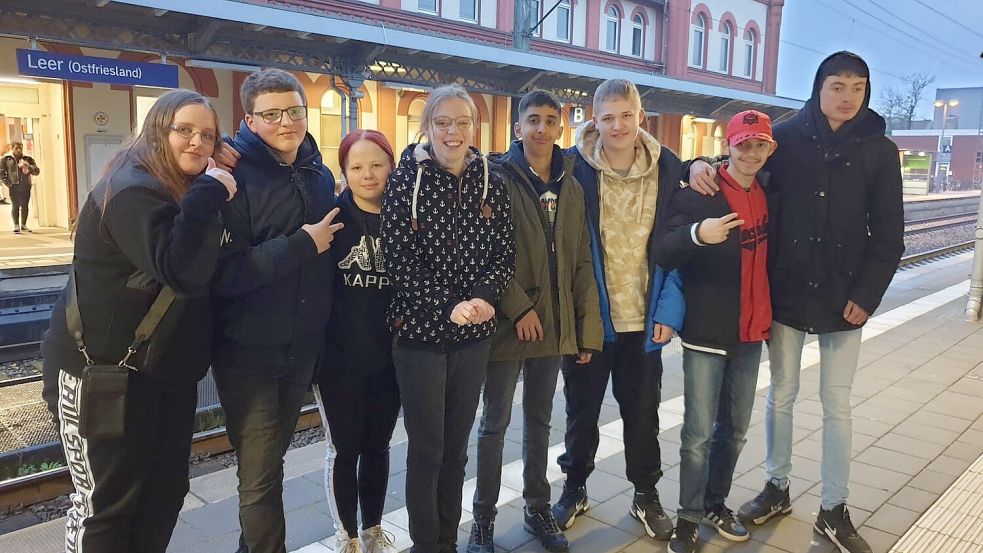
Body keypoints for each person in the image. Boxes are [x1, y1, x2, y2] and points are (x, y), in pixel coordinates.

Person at [688, 52, 904, 553]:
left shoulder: (879, 149)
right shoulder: (783, 137)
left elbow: (890, 235)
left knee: (838, 404)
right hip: (785, 293)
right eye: (837, 86)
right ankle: (777, 487)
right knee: (780, 395)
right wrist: (700, 164)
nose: (847, 97)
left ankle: (834, 508)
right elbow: (741, 168)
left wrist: (866, 296)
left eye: (857, 87)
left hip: (845, 298)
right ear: (817, 87)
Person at [40, 88, 236, 553]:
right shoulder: (133, 189)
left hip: (162, 375)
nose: (196, 142)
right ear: (156, 132)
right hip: (100, 374)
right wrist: (213, 188)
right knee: (106, 505)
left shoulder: (181, 189)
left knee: (163, 494)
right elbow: (181, 270)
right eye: (183, 130)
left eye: (207, 135)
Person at [381, 84, 515, 553]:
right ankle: (426, 545)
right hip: (418, 337)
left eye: (461, 122)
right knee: (427, 451)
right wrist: (447, 305)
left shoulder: (492, 183)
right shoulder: (404, 182)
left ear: (473, 128)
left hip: (473, 338)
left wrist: (483, 298)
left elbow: (503, 254)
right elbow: (399, 261)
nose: (452, 132)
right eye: (443, 122)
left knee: (456, 450)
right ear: (427, 127)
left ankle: (447, 542)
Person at [211, 68, 340, 553]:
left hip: (302, 345)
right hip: (250, 352)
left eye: (294, 111)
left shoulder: (318, 172)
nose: (286, 121)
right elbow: (224, 275)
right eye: (271, 114)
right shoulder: (230, 178)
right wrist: (302, 245)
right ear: (249, 117)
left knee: (273, 462)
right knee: (260, 475)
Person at [467, 90, 602, 553]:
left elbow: (582, 261)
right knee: (494, 424)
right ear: (518, 127)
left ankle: (536, 507)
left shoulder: (573, 185)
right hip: (508, 324)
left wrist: (585, 329)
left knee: (541, 422)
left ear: (560, 128)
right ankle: (482, 518)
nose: (541, 129)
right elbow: (483, 254)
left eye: (550, 120)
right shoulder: (498, 179)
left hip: (553, 325)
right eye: (533, 120)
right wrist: (517, 306)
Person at [552, 78, 685, 542]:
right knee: (581, 410)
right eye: (607, 117)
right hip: (594, 319)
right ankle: (574, 487)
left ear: (640, 116)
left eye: (625, 115)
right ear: (595, 120)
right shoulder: (573, 167)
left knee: (643, 412)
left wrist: (670, 311)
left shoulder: (669, 167)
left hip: (645, 321)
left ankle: (645, 493)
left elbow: (678, 243)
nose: (617, 125)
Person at [656, 110, 777, 553]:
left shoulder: (772, 193)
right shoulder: (701, 193)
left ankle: (714, 502)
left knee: (737, 430)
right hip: (708, 330)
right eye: (743, 144)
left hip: (752, 332)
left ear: (769, 149)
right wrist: (697, 234)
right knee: (697, 433)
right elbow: (664, 250)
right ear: (729, 146)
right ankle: (687, 516)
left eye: (759, 144)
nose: (751, 152)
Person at [315, 129, 399, 553]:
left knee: (379, 447)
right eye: (357, 167)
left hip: (390, 360)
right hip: (338, 360)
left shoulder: (406, 218)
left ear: (391, 167)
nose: (368, 175)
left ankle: (372, 530)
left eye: (377, 165)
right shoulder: (332, 219)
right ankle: (345, 536)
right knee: (344, 449)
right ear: (344, 172)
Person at [1, 141, 40, 232]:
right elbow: (1, 173)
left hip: (25, 186)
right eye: (16, 148)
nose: (19, 150)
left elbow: (36, 171)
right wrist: (8, 183)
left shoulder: (27, 158)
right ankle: (16, 225)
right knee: (15, 206)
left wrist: (28, 165)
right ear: (12, 149)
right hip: (14, 186)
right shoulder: (7, 159)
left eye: (20, 148)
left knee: (25, 206)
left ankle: (23, 224)